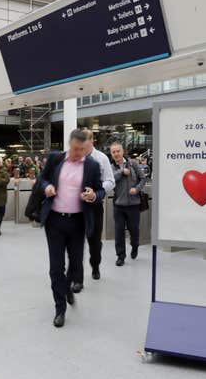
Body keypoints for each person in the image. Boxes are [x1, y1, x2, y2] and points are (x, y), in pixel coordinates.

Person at [37, 129, 105, 328]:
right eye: (75, 149)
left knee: (76, 266)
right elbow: (42, 179)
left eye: (82, 150)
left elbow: (100, 190)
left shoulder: (92, 165)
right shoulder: (55, 159)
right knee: (56, 268)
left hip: (78, 222)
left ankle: (66, 289)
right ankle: (60, 308)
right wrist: (46, 187)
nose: (78, 153)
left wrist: (93, 195)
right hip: (55, 221)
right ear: (69, 144)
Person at [70, 130, 115, 289]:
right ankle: (77, 279)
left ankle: (95, 265)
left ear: (91, 141)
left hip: (94, 206)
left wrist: (95, 193)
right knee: (75, 243)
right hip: (75, 207)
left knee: (94, 242)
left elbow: (110, 181)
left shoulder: (101, 159)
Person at [110, 142, 147, 266]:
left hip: (133, 205)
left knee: (134, 230)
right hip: (118, 205)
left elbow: (143, 179)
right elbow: (110, 180)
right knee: (119, 231)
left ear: (123, 151)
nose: (116, 154)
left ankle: (135, 246)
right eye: (113, 152)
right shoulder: (112, 167)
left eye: (118, 151)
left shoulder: (133, 164)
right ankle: (120, 256)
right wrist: (121, 172)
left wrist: (136, 189)